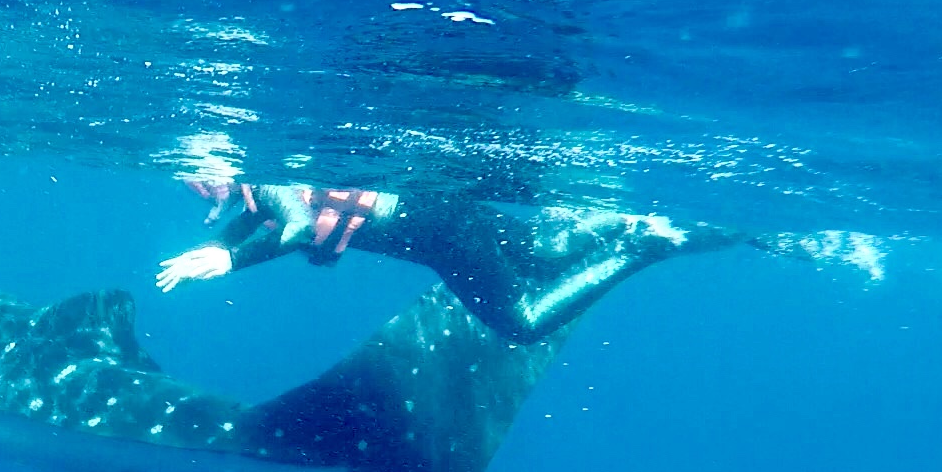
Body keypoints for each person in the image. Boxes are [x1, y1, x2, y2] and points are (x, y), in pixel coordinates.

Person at [154, 179, 842, 344]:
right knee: (548, 250)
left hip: (442, 235)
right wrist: (225, 248)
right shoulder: (254, 198)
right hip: (449, 216)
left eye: (198, 175)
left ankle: (644, 243)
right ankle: (728, 225)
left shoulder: (271, 183)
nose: (193, 185)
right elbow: (278, 228)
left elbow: (301, 223)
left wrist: (228, 263)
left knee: (522, 322)